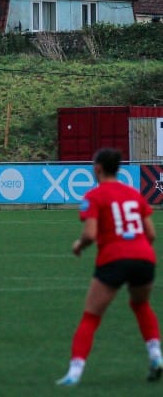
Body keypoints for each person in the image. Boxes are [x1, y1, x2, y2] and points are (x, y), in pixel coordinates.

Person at [56, 148, 161, 386]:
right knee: (141, 305)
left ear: (98, 168)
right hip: (144, 257)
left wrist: (79, 245)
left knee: (91, 316)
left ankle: (74, 373)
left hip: (114, 258)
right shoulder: (133, 193)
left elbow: (90, 234)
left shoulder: (94, 195)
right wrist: (138, 251)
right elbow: (151, 233)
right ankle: (156, 355)